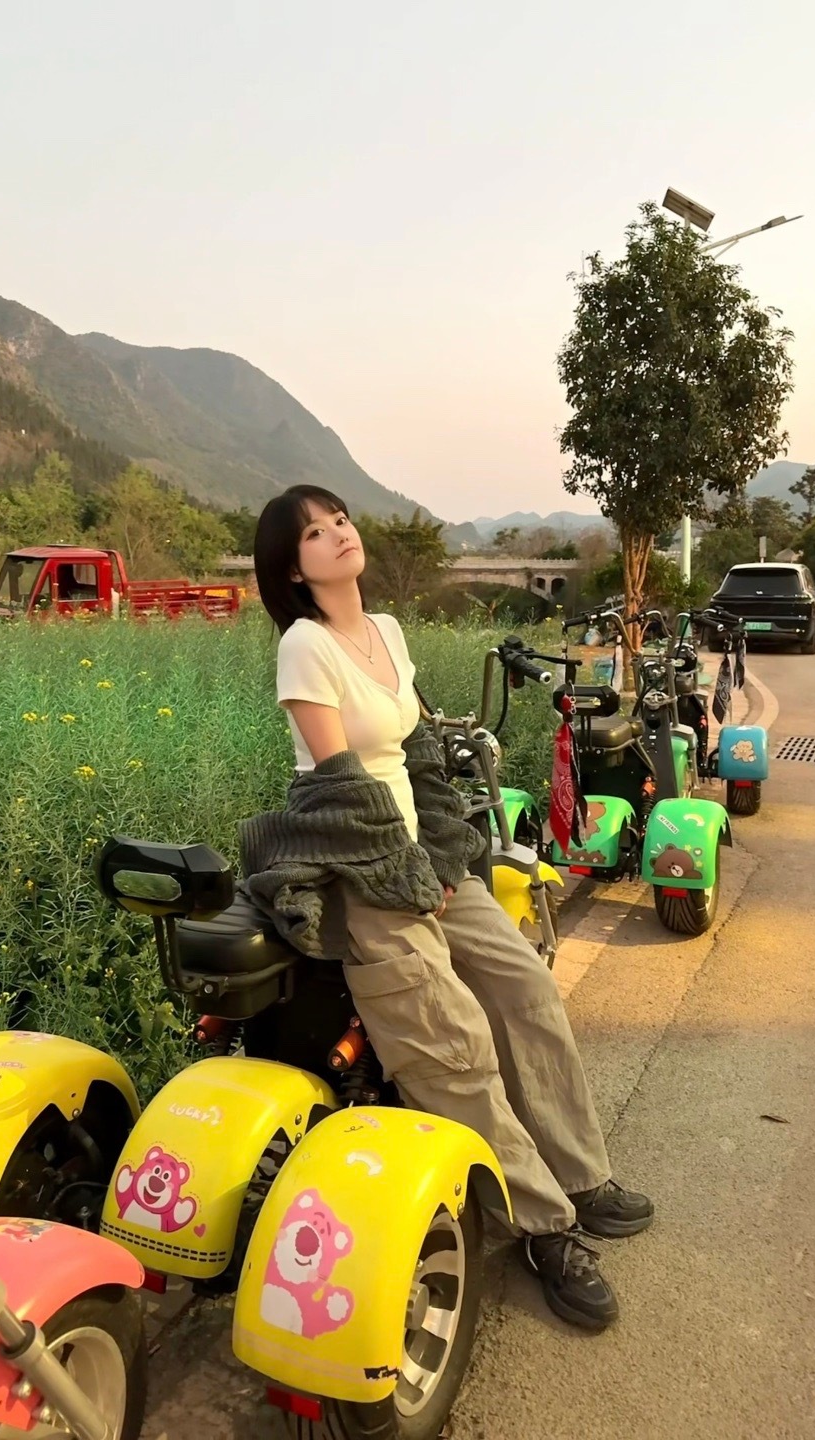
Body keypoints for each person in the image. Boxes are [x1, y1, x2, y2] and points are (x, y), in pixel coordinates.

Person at [248, 484, 654, 1332]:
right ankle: (544, 1228)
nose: (338, 535)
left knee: (525, 989)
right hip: (362, 869)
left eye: (340, 520)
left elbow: (419, 755)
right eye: (315, 534)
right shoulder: (304, 645)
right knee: (452, 1043)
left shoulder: (386, 631)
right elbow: (340, 784)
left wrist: (438, 856)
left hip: (421, 860)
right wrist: (407, 875)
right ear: (293, 568)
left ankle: (580, 1173)